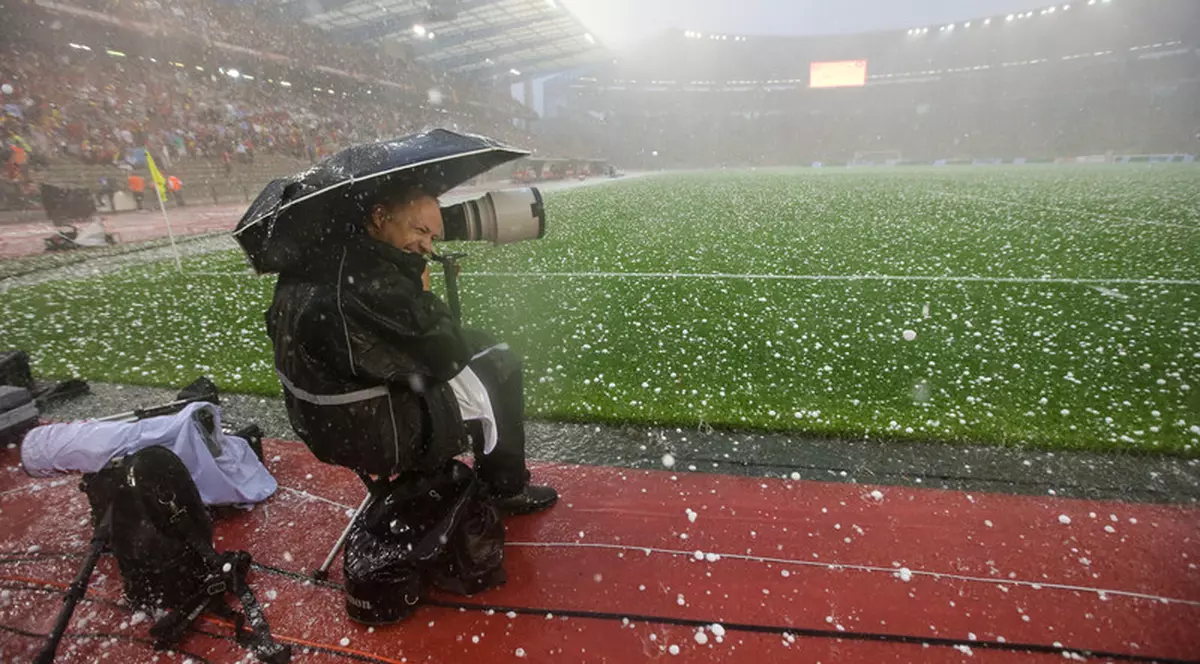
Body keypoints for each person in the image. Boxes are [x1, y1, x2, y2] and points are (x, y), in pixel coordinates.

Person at [265, 183, 557, 515]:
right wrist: (422, 289)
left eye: (432, 237)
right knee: (500, 363)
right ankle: (505, 486)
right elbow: (447, 354)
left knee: (483, 348)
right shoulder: (374, 280)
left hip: (317, 417)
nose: (426, 245)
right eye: (420, 230)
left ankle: (494, 477)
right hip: (373, 425)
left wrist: (407, 275)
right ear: (379, 216)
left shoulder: (315, 257)